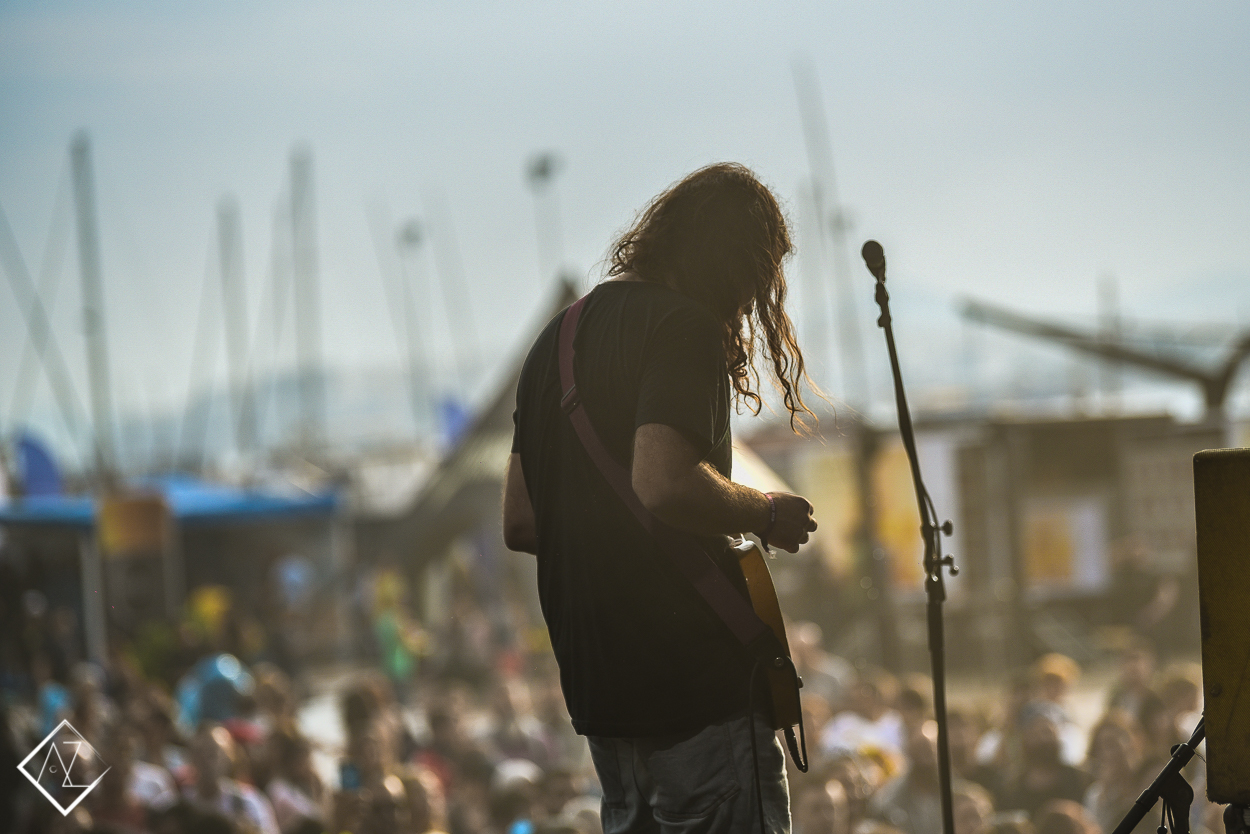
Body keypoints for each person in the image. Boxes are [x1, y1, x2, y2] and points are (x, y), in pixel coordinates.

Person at [504, 163, 820, 834]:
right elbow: (664, 480)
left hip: (605, 698)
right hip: (694, 688)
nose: (753, 301)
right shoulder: (684, 329)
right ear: (732, 263)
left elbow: (522, 519)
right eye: (758, 278)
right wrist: (764, 512)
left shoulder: (554, 342)